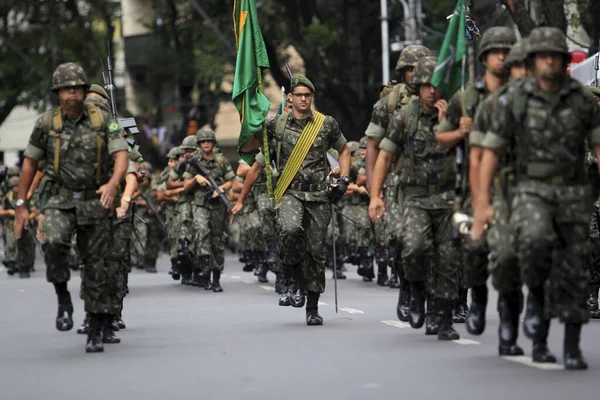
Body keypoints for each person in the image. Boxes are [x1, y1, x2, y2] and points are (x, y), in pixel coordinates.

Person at [472, 27, 600, 370]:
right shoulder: (511, 101)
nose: (548, 61)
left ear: (562, 61)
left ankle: (569, 345)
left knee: (575, 266)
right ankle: (527, 314)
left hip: (573, 192)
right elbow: (488, 155)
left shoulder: (583, 100)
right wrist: (482, 203)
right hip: (526, 190)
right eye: (541, 56)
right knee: (529, 245)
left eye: (554, 56)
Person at [14, 62, 129, 353]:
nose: (72, 94)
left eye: (77, 88)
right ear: (57, 93)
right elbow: (29, 162)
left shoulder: (104, 119)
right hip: (59, 199)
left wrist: (114, 183)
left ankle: (93, 324)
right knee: (53, 243)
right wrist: (21, 203)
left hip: (95, 199)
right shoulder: (45, 124)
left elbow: (121, 155)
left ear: (83, 90)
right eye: (66, 89)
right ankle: (63, 296)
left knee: (96, 265)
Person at [233, 75, 350, 325]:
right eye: (299, 95)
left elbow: (344, 150)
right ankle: (293, 277)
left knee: (316, 252)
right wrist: (241, 199)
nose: (304, 99)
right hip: (290, 193)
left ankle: (313, 307)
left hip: (319, 196)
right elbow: (255, 164)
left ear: (312, 98)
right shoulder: (277, 126)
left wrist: (345, 177)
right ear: (291, 98)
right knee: (289, 229)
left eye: (308, 95)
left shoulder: (325, 124)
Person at [369, 56, 460, 340]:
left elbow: (473, 153)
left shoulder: (456, 115)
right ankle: (416, 289)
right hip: (416, 197)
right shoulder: (404, 116)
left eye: (436, 85)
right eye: (425, 85)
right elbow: (385, 155)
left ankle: (442, 318)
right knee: (415, 248)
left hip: (447, 198)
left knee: (447, 259)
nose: (431, 91)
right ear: (417, 86)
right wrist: (376, 195)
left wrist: (448, 126)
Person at [436, 26, 517, 326]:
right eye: (496, 51)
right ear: (484, 57)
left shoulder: (524, 93)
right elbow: (441, 139)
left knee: (510, 256)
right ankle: (477, 295)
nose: (502, 57)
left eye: (507, 51)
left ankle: (511, 320)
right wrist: (459, 130)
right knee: (474, 249)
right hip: (475, 185)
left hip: (515, 186)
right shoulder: (466, 97)